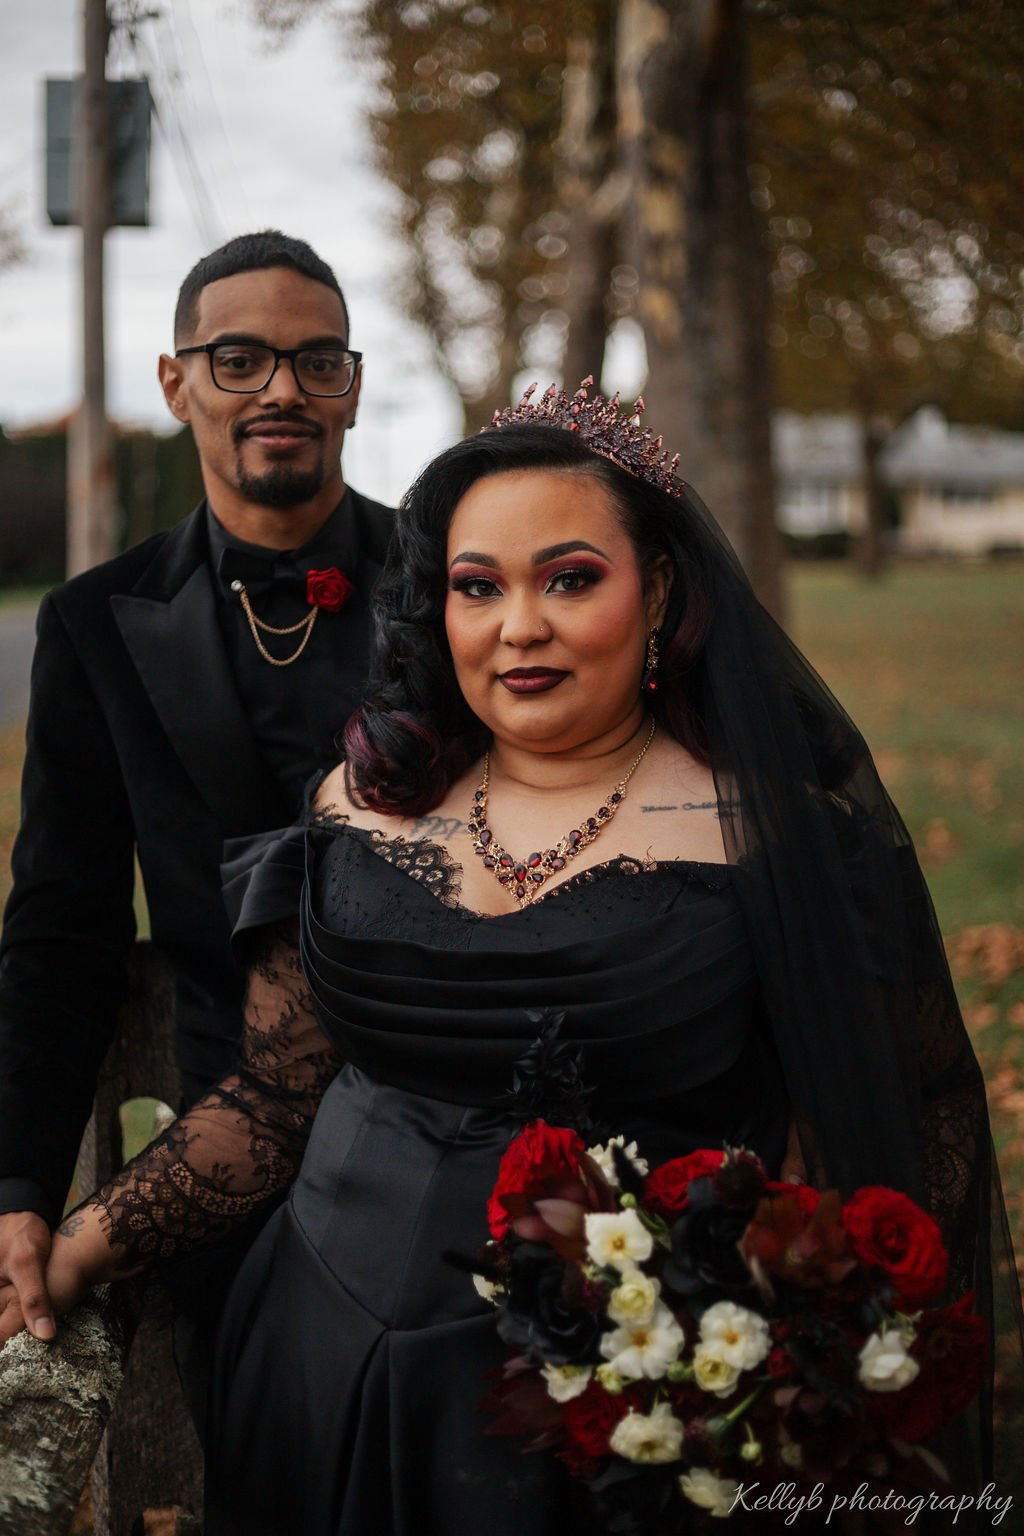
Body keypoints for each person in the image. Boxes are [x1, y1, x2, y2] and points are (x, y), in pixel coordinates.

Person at [3, 383, 1019, 1533]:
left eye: (570, 578)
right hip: (316, 1359)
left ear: (662, 592)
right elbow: (281, 1094)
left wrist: (809, 1351)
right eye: (475, 587)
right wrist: (77, 1243)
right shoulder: (356, 807)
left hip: (628, 1421)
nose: (516, 626)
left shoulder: (778, 841)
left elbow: (910, 1109)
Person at [0, 231, 393, 1361]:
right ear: (176, 385)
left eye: (319, 362)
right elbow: (61, 927)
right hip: (225, 1182)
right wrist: (21, 1182)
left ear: (354, 392)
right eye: (239, 359)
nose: (282, 388)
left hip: (458, 1140)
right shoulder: (93, 625)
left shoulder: (457, 587)